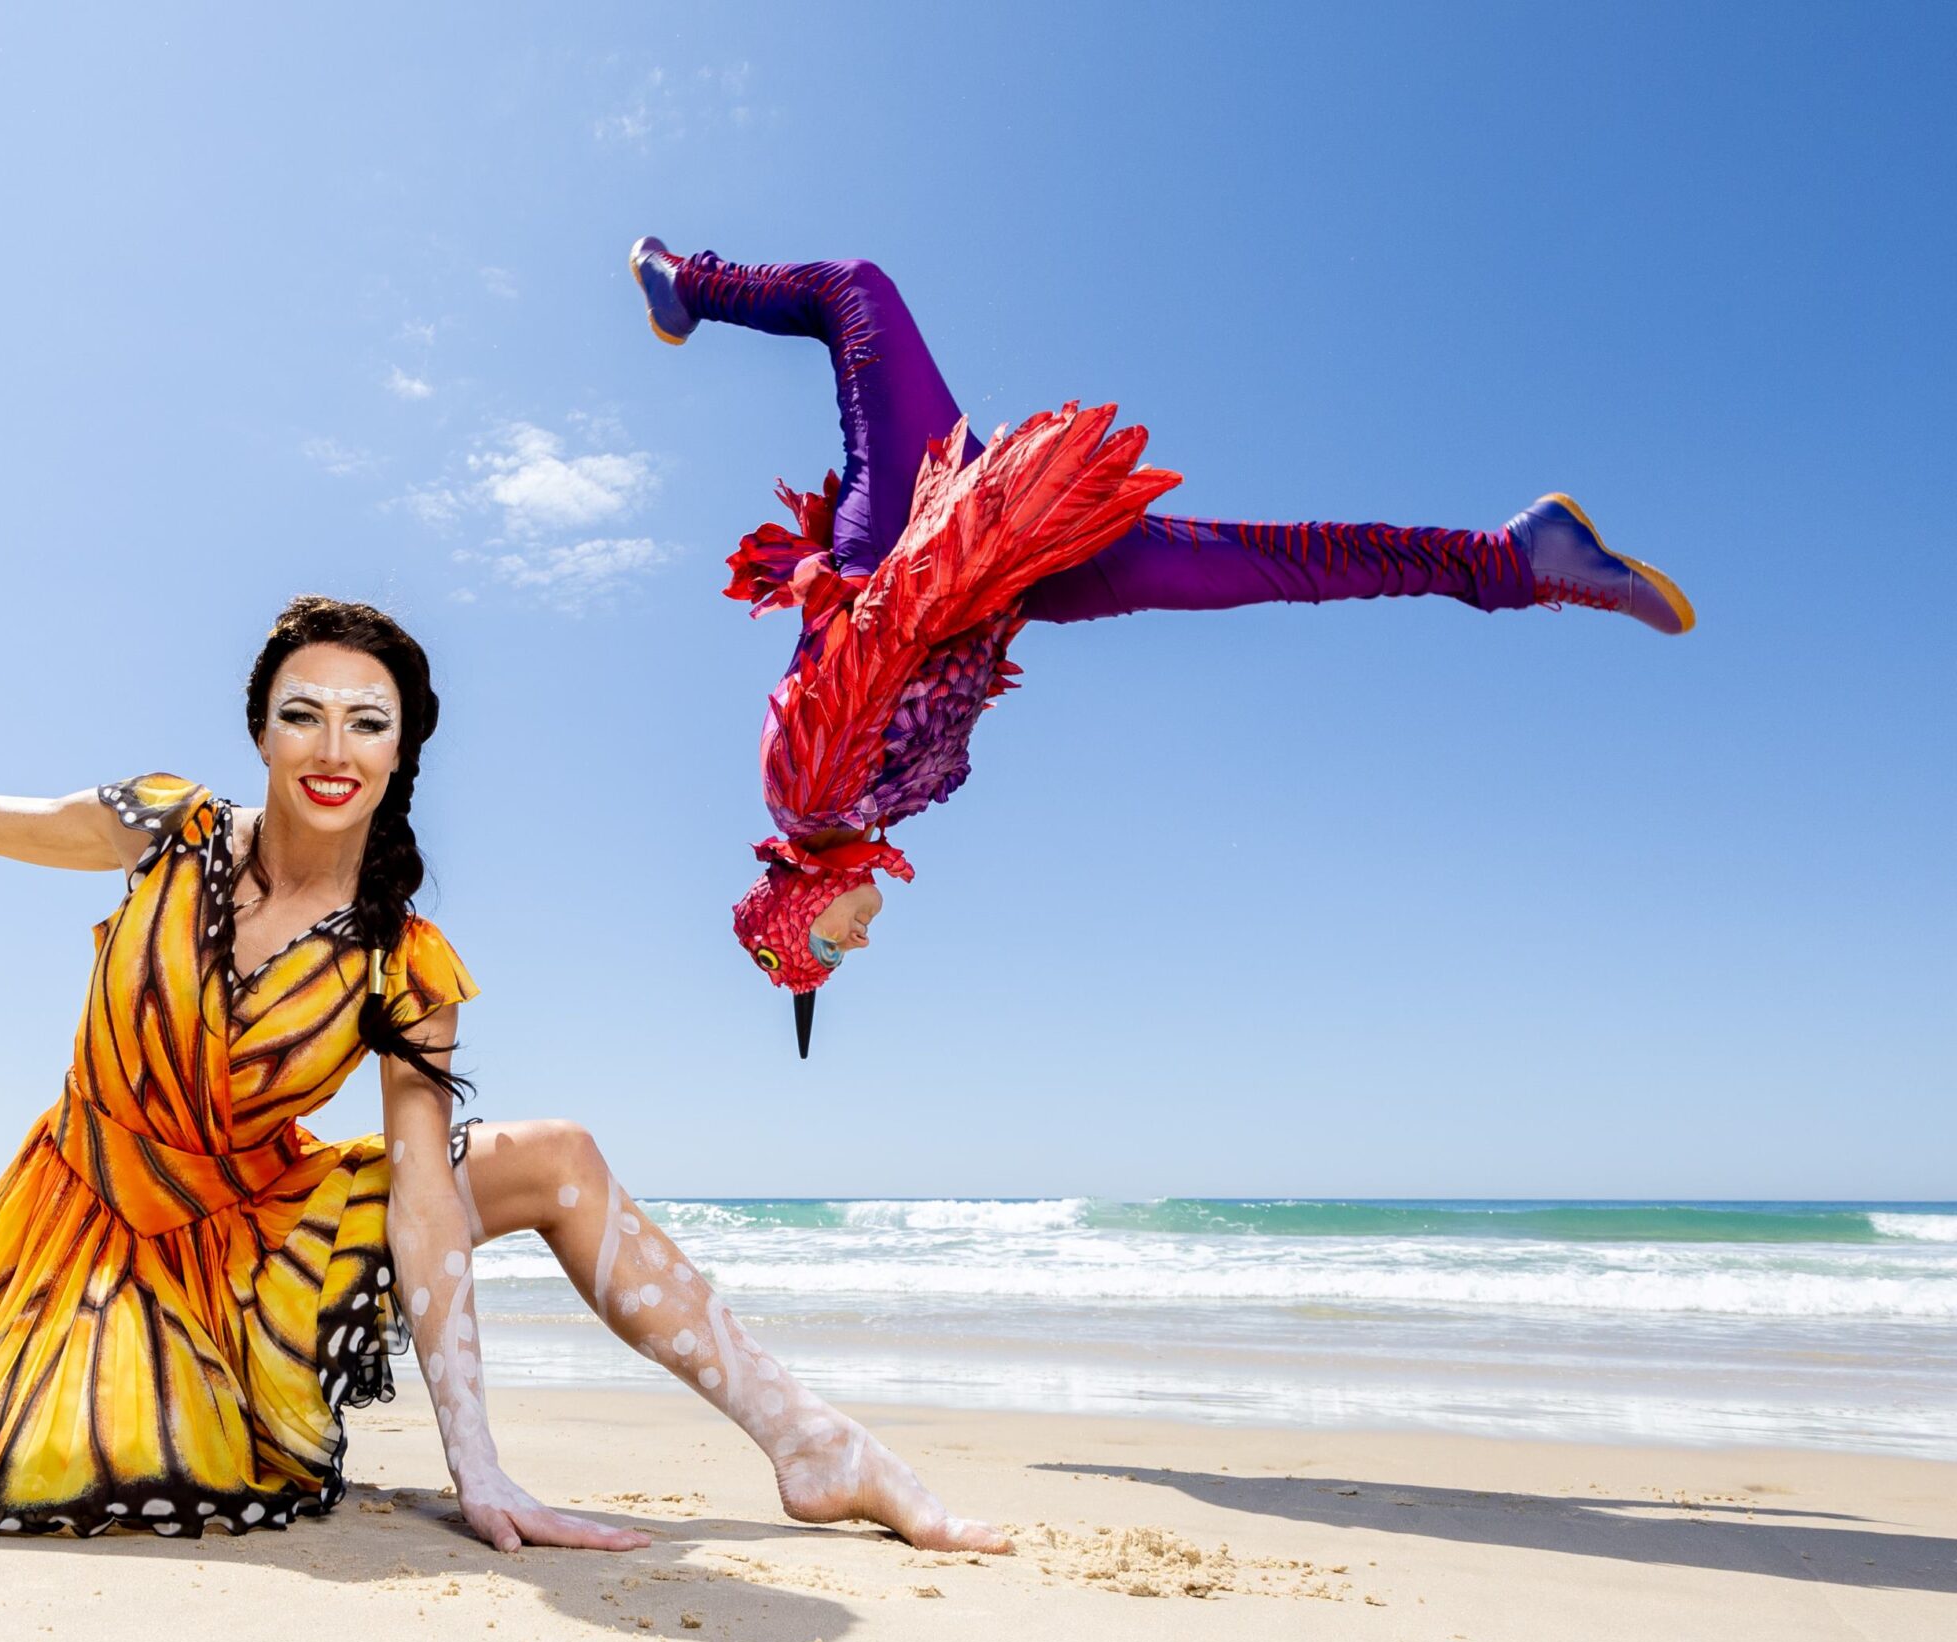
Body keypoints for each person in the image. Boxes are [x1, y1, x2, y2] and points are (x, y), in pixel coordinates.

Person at [0, 595, 1006, 1553]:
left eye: (368, 721)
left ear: (403, 748)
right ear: (260, 732)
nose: (333, 747)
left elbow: (424, 1203)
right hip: (94, 1228)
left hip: (267, 1231)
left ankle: (811, 1444)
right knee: (71, 1467)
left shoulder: (406, 957)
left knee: (564, 1154)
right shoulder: (165, 829)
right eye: (304, 715)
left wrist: (480, 1468)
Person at [627, 241, 1695, 1053]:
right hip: (1010, 578)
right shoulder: (867, 815)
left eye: (824, 945)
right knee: (1268, 564)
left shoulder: (805, 793)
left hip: (932, 529)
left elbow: (878, 623)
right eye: (837, 961)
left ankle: (683, 281)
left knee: (852, 289)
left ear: (799, 901)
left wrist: (994, 513)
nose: (851, 947)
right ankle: (1516, 560)